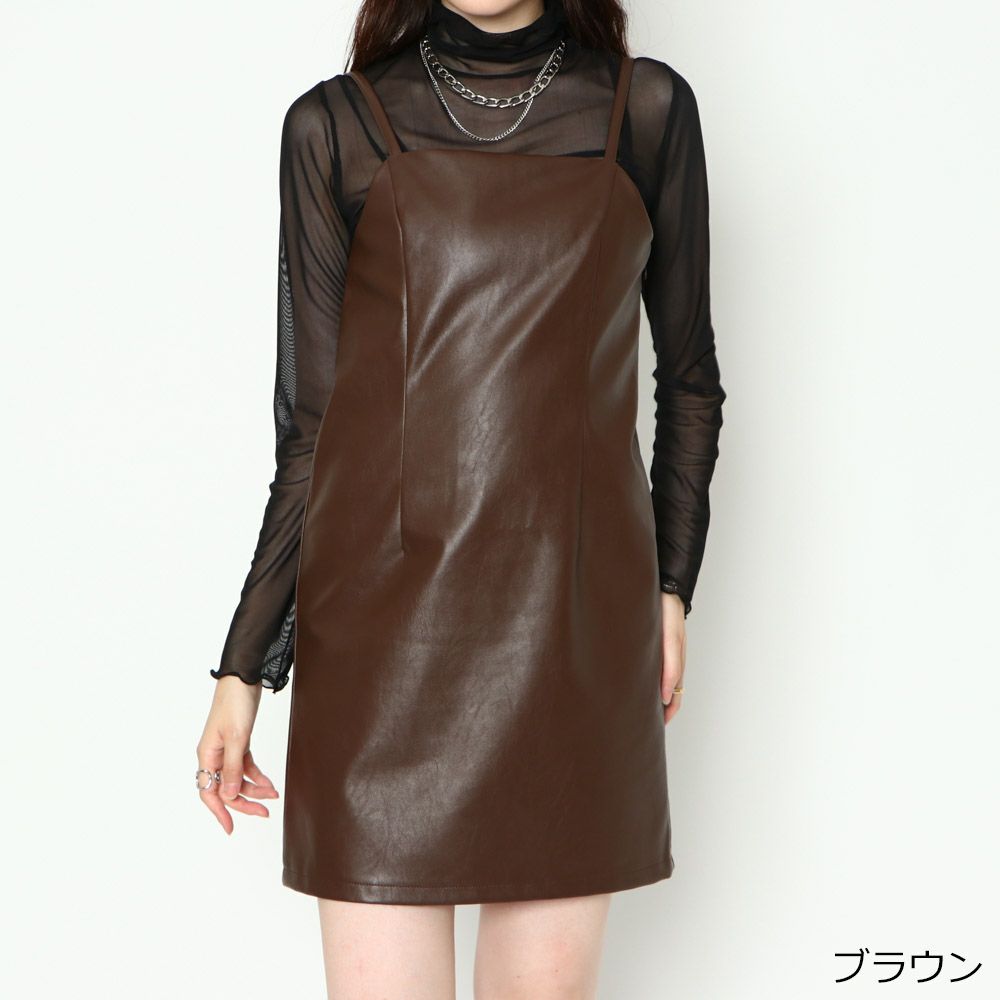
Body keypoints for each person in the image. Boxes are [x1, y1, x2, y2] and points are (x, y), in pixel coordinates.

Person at [197, 1, 725, 996]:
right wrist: (245, 667)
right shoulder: (334, 125)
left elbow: (690, 380)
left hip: (570, 643)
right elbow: (310, 429)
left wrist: (669, 586)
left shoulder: (644, 110)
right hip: (379, 666)